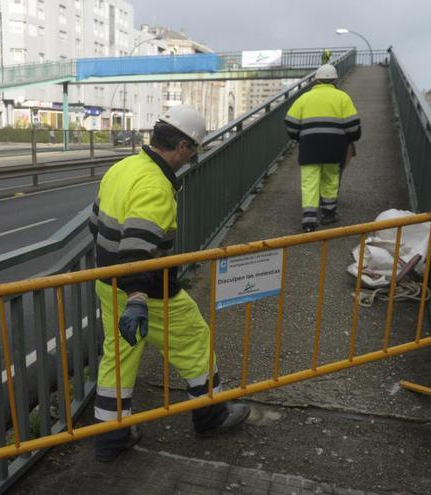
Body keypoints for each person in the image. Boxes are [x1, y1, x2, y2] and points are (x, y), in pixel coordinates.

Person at [88, 105, 251, 463]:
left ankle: (109, 436)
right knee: (193, 338)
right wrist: (138, 298)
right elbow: (136, 251)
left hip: (106, 281)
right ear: (181, 145)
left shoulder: (123, 168)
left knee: (119, 355)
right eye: (193, 150)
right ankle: (211, 414)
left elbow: (95, 224)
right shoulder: (155, 186)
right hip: (146, 290)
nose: (191, 158)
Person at [284, 64, 361, 232]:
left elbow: (290, 122)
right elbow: (353, 125)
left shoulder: (304, 98)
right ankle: (328, 214)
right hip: (334, 147)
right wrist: (351, 138)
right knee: (330, 179)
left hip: (309, 147)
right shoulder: (343, 97)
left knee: (309, 182)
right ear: (334, 80)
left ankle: (309, 221)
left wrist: (298, 136)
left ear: (316, 80)